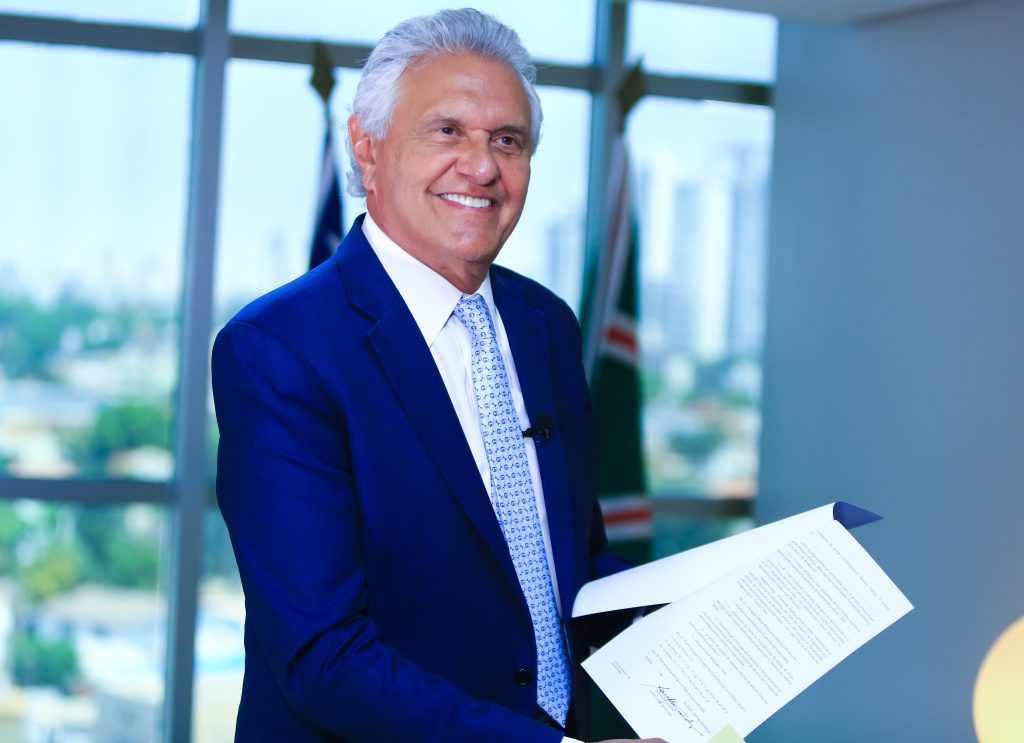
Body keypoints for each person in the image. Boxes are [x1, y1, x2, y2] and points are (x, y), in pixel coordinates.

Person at [212, 9, 666, 743]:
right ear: (366, 148)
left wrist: (709, 608)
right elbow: (324, 657)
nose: (482, 167)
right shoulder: (280, 349)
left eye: (507, 140)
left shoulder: (546, 326)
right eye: (448, 131)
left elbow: (561, 567)